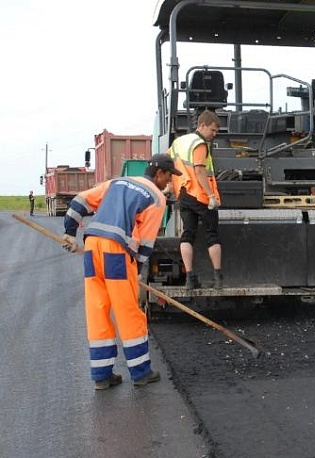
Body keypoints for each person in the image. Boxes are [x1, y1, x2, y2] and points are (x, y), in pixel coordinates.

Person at [61, 154, 181, 390]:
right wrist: (136, 271)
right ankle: (141, 372)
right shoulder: (156, 198)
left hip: (92, 246)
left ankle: (102, 376)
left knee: (98, 309)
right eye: (169, 176)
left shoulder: (118, 182)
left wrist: (69, 232)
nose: (169, 182)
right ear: (159, 173)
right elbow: (145, 244)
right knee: (128, 311)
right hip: (117, 251)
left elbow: (80, 200)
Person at [169, 109, 223, 289]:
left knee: (188, 234)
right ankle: (218, 278)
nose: (214, 134)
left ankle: (190, 278)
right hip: (200, 196)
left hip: (183, 195)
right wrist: (211, 196)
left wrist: (170, 187)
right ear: (202, 125)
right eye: (212, 130)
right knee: (212, 235)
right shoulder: (199, 144)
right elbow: (199, 171)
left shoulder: (178, 142)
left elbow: (170, 166)